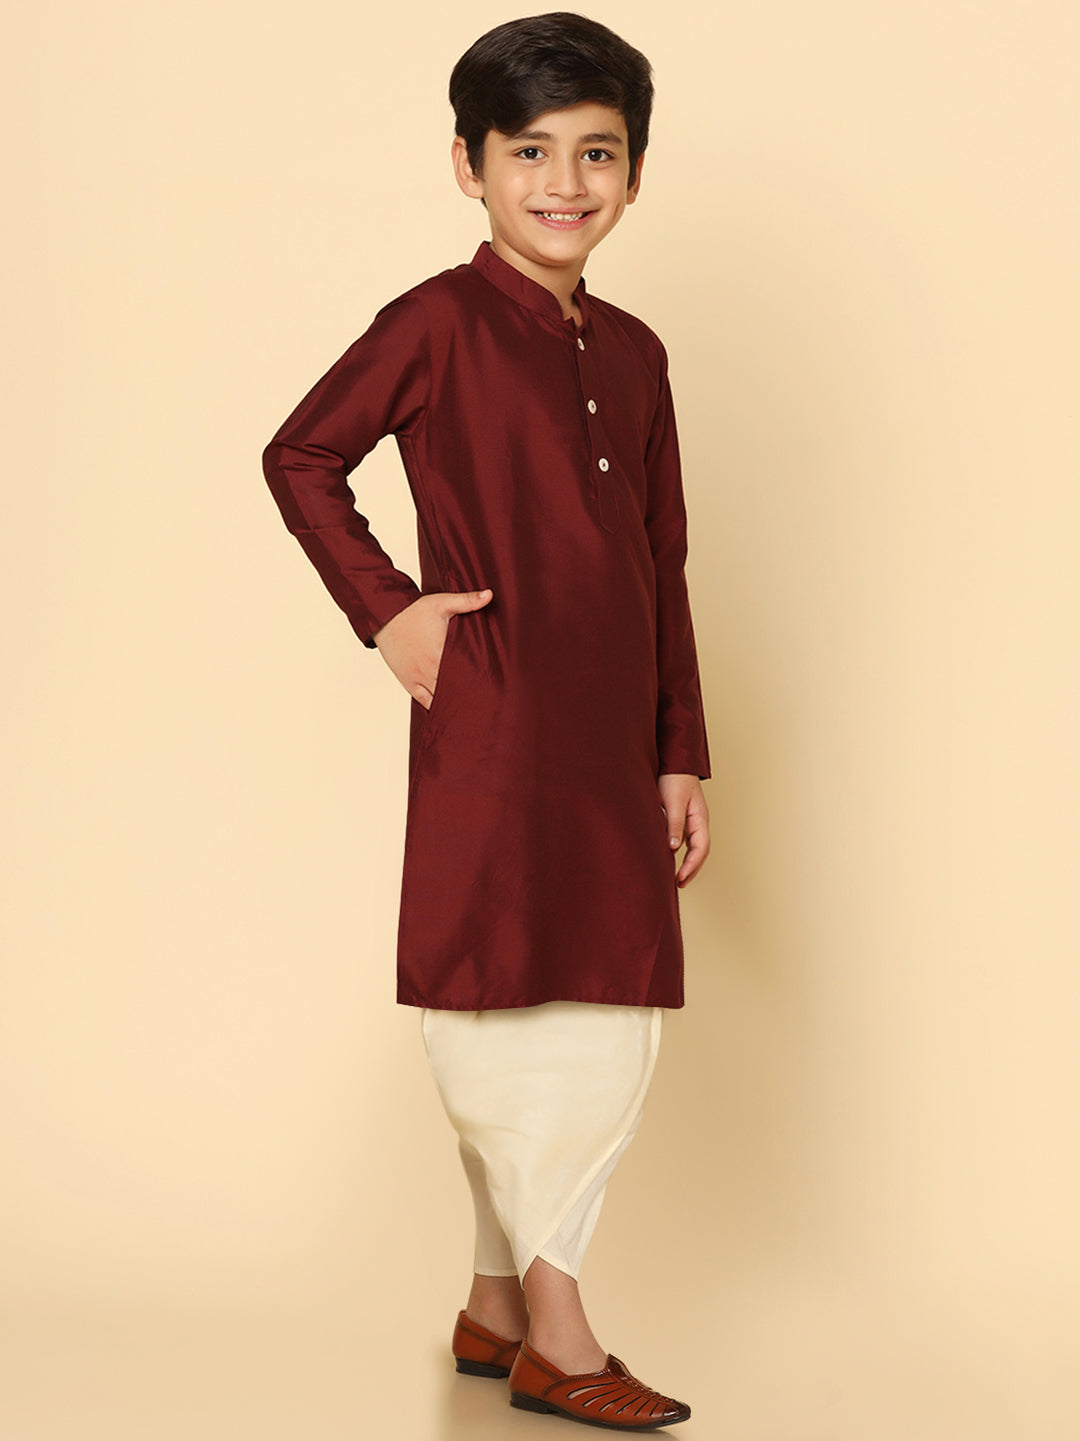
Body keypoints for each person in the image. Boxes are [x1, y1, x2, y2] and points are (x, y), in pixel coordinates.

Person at [262, 12, 711, 1430]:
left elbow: (662, 561)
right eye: (530, 152)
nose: (565, 183)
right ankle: (560, 1332)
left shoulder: (635, 352)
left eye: (598, 153)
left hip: (615, 741)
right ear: (469, 165)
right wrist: (390, 611)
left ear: (634, 172)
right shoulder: (438, 323)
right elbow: (301, 453)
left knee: (597, 996)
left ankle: (494, 1301)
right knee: (508, 1003)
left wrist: (680, 750)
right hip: (498, 716)